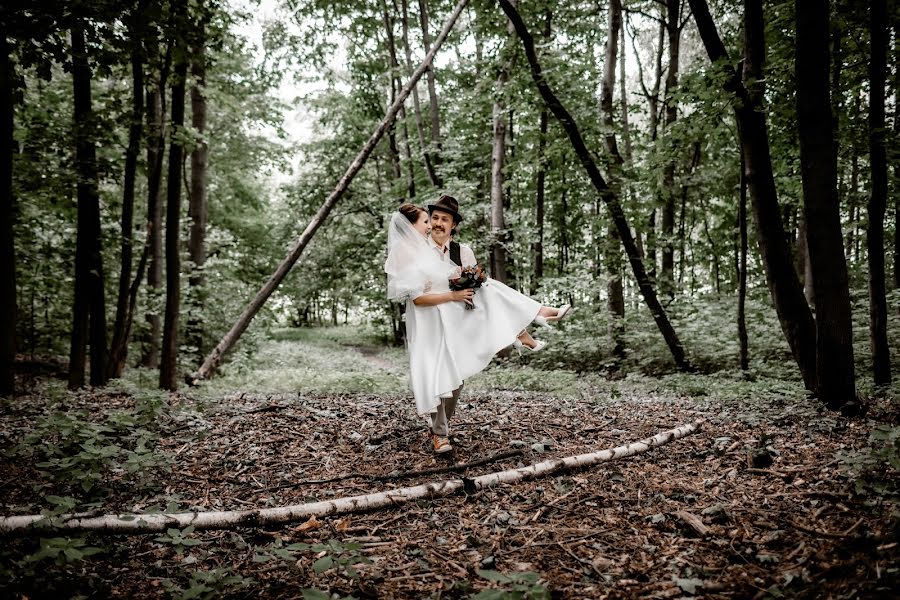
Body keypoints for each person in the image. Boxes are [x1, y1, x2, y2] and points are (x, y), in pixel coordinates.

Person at [385, 199, 570, 454]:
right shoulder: (417, 247)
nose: (437, 224)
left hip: (458, 320)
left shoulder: (463, 252)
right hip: (430, 319)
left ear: (454, 225)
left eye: (444, 220)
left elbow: (475, 291)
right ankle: (440, 434)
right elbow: (415, 292)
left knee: (456, 379)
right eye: (434, 218)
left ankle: (526, 323)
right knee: (438, 373)